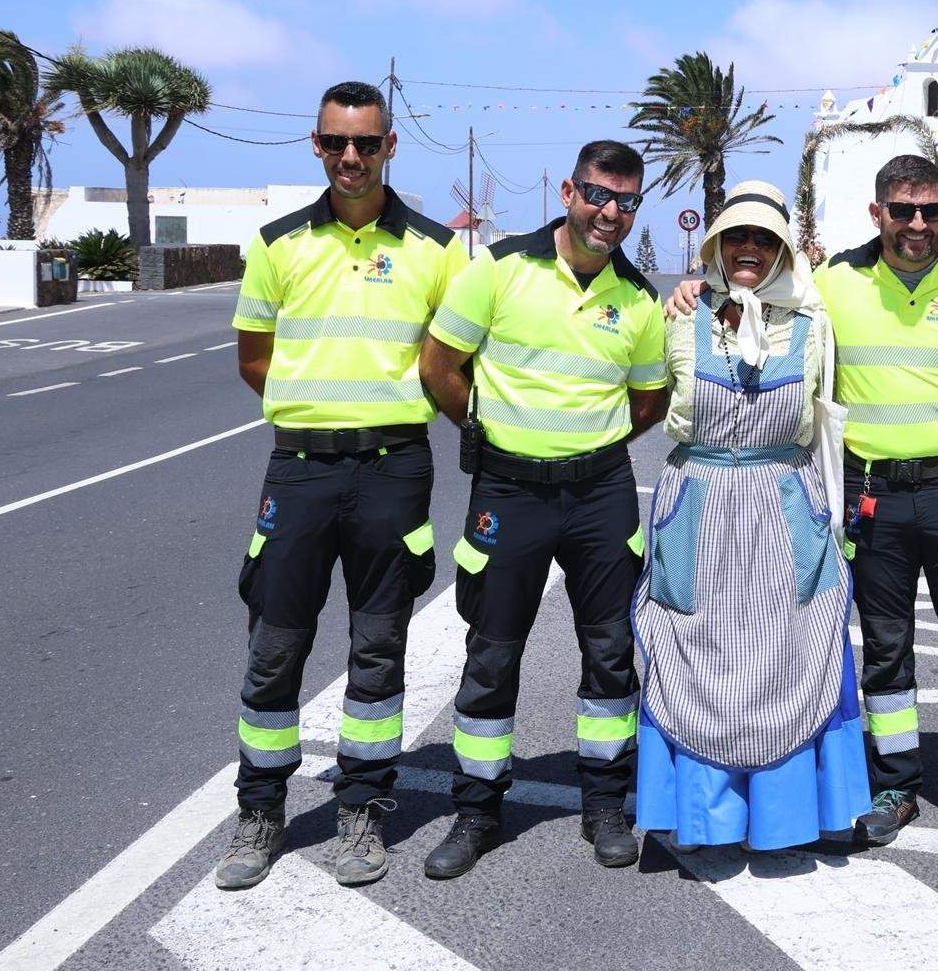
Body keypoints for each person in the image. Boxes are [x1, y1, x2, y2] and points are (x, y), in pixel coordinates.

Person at [665, 153, 938, 861]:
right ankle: (895, 785)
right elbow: (756, 288)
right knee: (885, 651)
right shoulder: (831, 283)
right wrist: (692, 287)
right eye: (901, 210)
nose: (915, 224)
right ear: (876, 213)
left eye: (928, 211)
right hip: (871, 494)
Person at [216, 81, 461, 890]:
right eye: (334, 143)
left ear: (390, 146)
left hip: (395, 470)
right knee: (275, 645)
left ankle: (361, 809)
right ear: (315, 146)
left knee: (378, 647)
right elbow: (255, 359)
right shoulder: (277, 242)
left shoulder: (438, 248)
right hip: (300, 467)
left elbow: (452, 360)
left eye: (364, 143)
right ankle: (260, 812)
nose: (349, 157)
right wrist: (319, 415)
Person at [416, 140, 668, 878]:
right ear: (567, 190)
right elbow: (439, 366)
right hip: (508, 491)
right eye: (598, 194)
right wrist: (486, 436)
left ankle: (604, 804)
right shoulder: (498, 268)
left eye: (626, 201)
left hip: (599, 493)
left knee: (610, 654)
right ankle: (476, 809)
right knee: (492, 654)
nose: (610, 213)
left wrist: (588, 443)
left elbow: (648, 401)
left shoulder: (639, 299)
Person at [632, 181, 871, 850]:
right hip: (698, 503)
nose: (747, 249)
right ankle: (706, 820)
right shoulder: (680, 313)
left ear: (781, 252)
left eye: (763, 240)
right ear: (714, 244)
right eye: (736, 236)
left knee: (790, 650)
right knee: (694, 651)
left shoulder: (810, 323)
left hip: (782, 500)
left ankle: (786, 816)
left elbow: (827, 416)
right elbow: (645, 401)